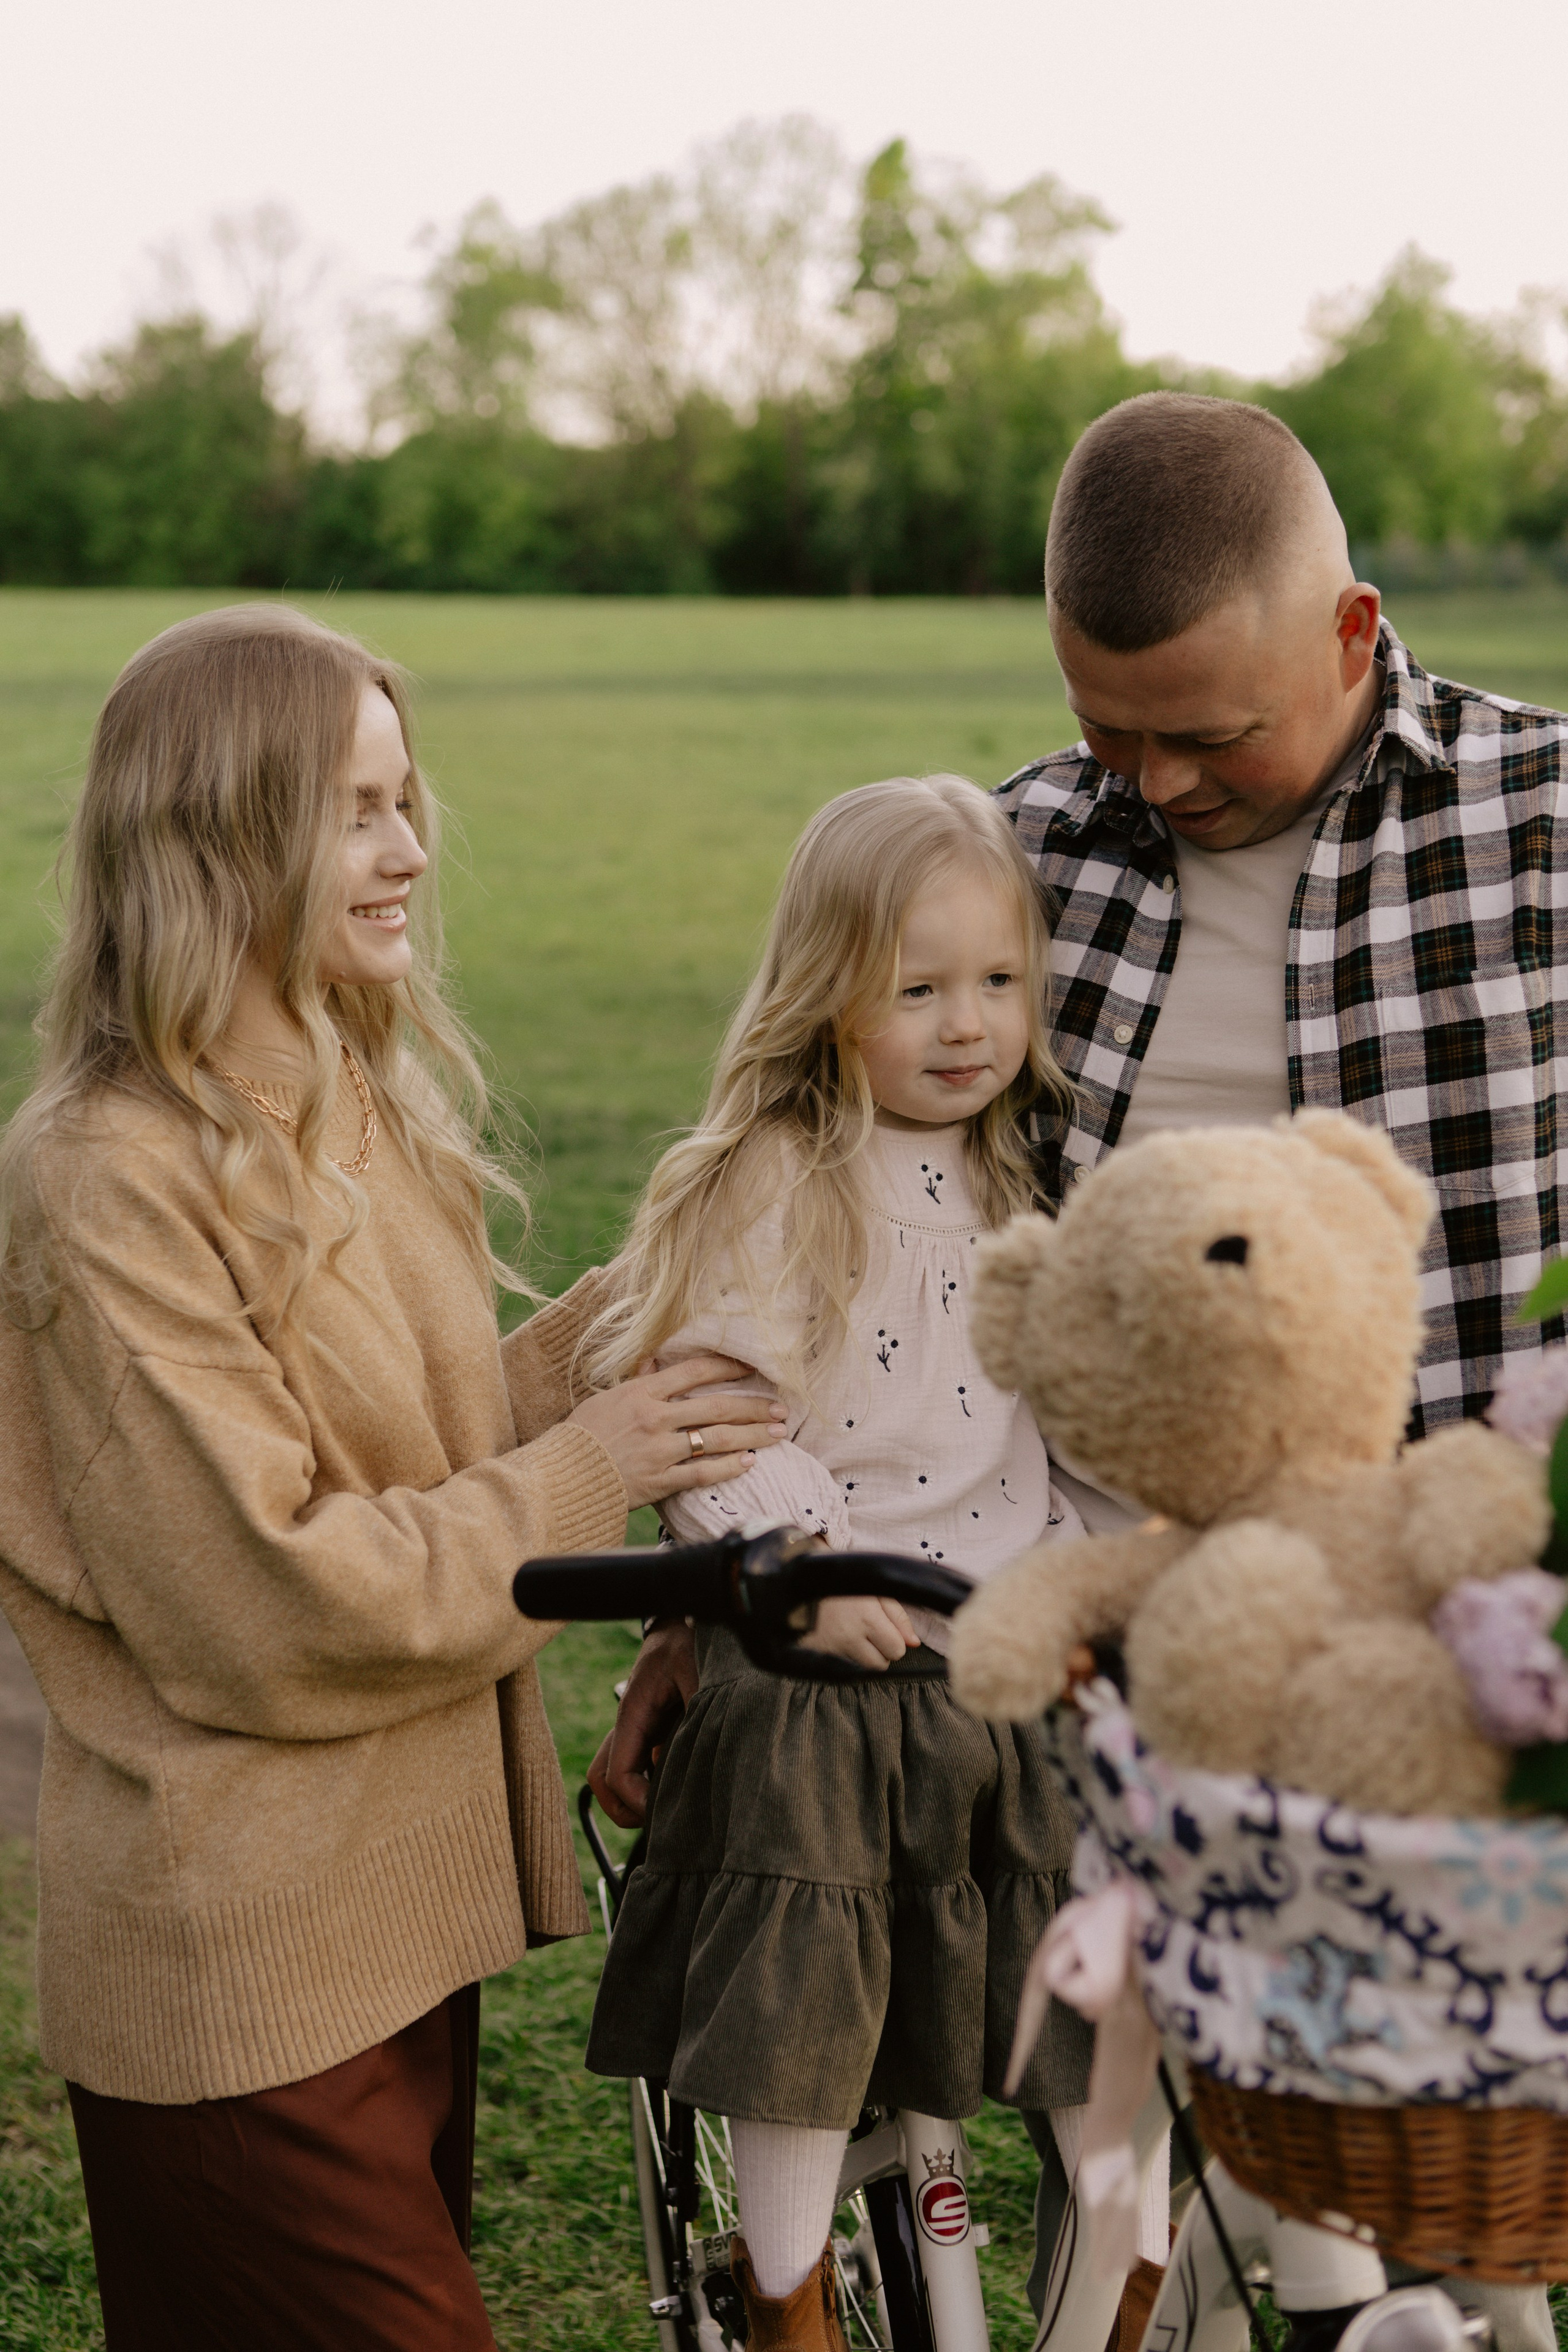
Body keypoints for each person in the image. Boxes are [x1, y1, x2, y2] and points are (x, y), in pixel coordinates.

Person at [0, 603, 785, 2352]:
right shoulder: (109, 1179)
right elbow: (272, 1597)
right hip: (240, 1989)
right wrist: (601, 1462)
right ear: (222, 831)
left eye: (406, 796)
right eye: (359, 807)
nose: (412, 847)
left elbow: (411, 1450)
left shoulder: (337, 1084)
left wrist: (633, 1322)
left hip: (383, 1938)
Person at [998, 390, 1562, 2352]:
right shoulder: (1012, 862)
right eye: (1105, 727)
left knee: (1465, 2237)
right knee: (1144, 2226)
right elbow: (864, 1246)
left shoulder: (1544, 825)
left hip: (1462, 1685)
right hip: (1133, 1697)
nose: (1148, 779)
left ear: (1354, 631)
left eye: (1207, 734)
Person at [582, 775, 1172, 2351]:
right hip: (826, 1654)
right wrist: (808, 1562)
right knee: (808, 1971)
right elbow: (713, 1422)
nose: (964, 1024)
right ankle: (788, 2291)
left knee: (1092, 1972)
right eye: (915, 990)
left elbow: (1037, 1442)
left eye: (996, 984)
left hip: (992, 1649)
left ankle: (1119, 2279)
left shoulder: (1017, 1176)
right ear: (825, 995)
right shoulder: (777, 1179)